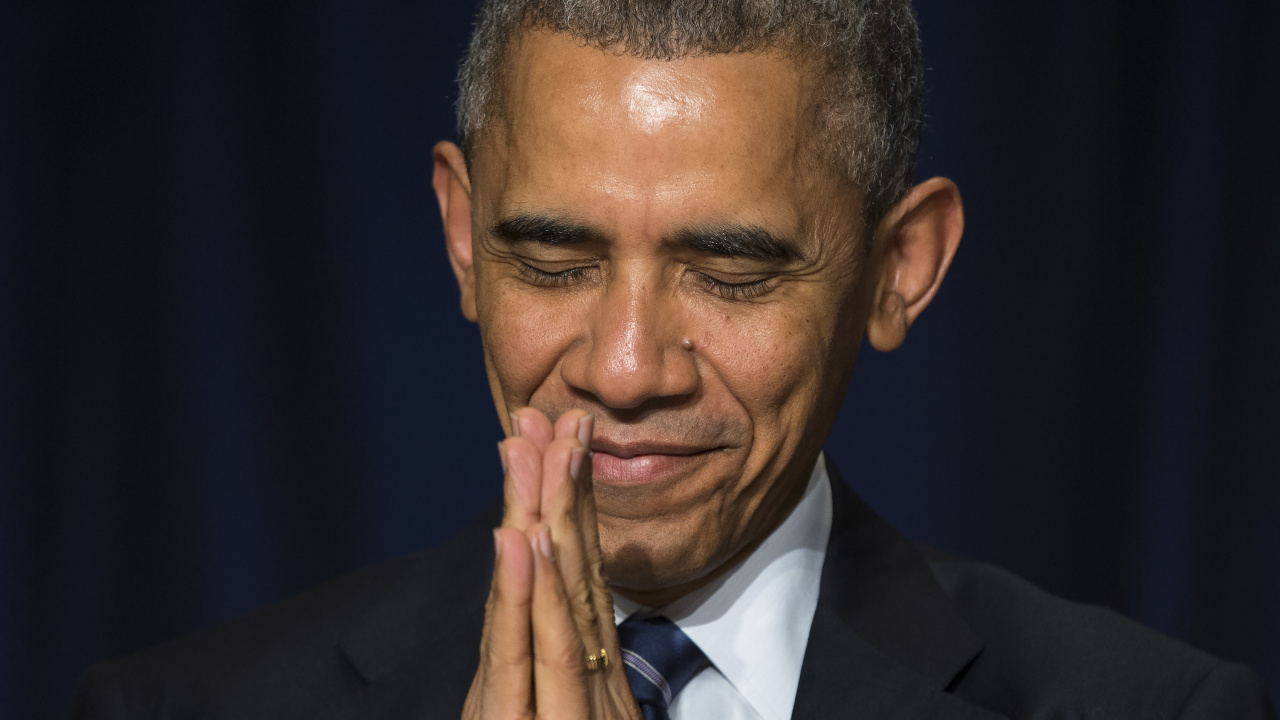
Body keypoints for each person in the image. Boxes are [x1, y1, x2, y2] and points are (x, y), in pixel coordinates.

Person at [71, 1, 1275, 718]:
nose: (625, 368)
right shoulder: (179, 711)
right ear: (460, 237)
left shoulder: (1149, 711)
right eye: (552, 260)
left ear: (898, 267)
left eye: (729, 272)